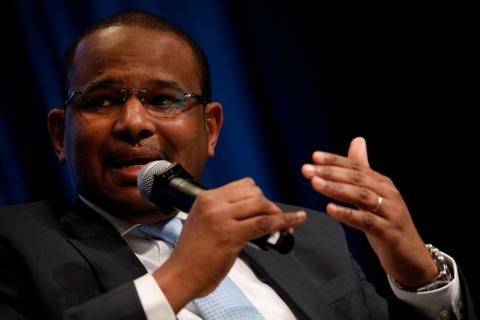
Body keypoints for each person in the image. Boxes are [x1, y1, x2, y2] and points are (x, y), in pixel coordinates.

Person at [0, 11, 476, 320]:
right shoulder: (16, 245)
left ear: (210, 129)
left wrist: (420, 278)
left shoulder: (306, 238)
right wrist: (179, 279)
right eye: (102, 101)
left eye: (164, 99)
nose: (133, 122)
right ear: (61, 135)